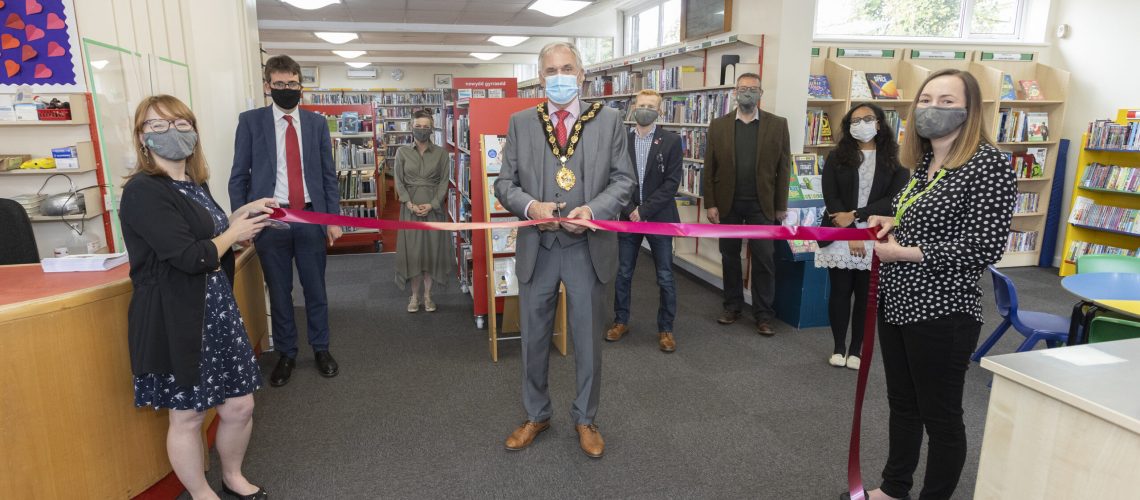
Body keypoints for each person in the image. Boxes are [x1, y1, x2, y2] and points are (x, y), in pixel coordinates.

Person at [864, 69, 1016, 500]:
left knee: (942, 417)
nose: (933, 108)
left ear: (970, 110)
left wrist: (906, 252)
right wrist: (892, 219)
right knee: (903, 404)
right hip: (898, 302)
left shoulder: (988, 165)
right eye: (927, 99)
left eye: (947, 101)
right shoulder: (926, 162)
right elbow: (923, 218)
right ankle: (895, 488)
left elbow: (982, 246)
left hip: (942, 311)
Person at [120, 95, 275, 500]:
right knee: (188, 414)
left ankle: (233, 476)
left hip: (216, 310)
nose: (172, 133)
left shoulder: (194, 183)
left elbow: (208, 237)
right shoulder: (143, 191)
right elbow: (189, 255)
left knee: (239, 406)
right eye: (157, 126)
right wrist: (232, 235)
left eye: (180, 123)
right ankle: (201, 493)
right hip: (177, 316)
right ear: (141, 138)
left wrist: (242, 215)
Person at [494, 41, 634, 458]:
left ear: (581, 74)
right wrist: (529, 205)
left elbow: (623, 181)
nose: (559, 76)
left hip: (587, 247)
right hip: (539, 245)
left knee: (588, 340)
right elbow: (504, 184)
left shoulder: (609, 121)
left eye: (567, 68)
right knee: (533, 338)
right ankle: (536, 414)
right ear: (542, 78)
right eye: (551, 70)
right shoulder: (521, 122)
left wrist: (592, 209)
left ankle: (586, 418)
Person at [229, 54, 341, 387]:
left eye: (292, 84)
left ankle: (321, 349)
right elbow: (239, 176)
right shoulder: (250, 122)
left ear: (300, 87)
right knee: (279, 291)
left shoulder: (317, 124)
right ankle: (287, 354)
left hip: (309, 215)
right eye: (279, 84)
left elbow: (327, 176)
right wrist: (242, 221)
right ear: (268, 86)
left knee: (316, 289)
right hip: (270, 220)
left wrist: (332, 219)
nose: (286, 89)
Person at [816, 103, 908, 370]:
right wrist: (848, 231)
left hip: (874, 235)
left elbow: (893, 201)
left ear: (879, 123)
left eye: (868, 119)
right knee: (840, 292)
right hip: (839, 234)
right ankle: (838, 347)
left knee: (866, 295)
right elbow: (831, 196)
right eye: (855, 120)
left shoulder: (896, 159)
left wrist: (856, 217)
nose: (861, 124)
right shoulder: (836, 157)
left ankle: (856, 349)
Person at [701, 73, 791, 336]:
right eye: (743, 88)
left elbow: (784, 168)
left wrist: (780, 205)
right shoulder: (718, 125)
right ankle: (732, 306)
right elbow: (710, 168)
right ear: (735, 92)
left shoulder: (777, 125)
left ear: (761, 93)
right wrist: (711, 203)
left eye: (753, 89)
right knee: (730, 257)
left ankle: (763, 314)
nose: (747, 93)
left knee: (764, 259)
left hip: (762, 205)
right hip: (728, 204)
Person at [605, 89, 683, 353]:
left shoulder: (672, 141)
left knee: (664, 275)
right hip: (628, 217)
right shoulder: (622, 141)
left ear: (659, 111)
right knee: (624, 272)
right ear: (632, 108)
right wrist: (630, 208)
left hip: (659, 217)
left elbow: (672, 183)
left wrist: (645, 210)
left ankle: (666, 329)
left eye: (651, 106)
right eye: (641, 105)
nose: (645, 109)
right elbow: (614, 179)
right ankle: (620, 320)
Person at [393, 109, 454, 312]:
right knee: (413, 254)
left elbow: (444, 182)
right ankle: (414, 296)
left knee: (431, 253)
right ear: (411, 127)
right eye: (418, 126)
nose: (421, 130)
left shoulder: (442, 154)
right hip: (409, 210)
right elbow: (399, 181)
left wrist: (433, 204)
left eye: (425, 126)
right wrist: (408, 203)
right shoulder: (402, 152)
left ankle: (428, 296)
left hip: (433, 210)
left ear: (432, 128)